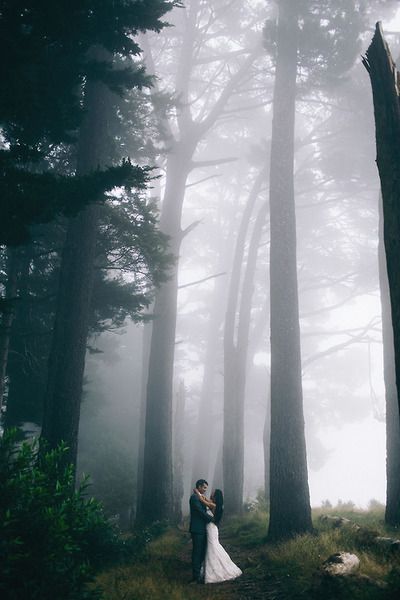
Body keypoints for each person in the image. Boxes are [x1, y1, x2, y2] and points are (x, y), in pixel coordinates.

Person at [193, 486, 242, 584]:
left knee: (213, 547)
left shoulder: (213, 505)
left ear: (216, 496)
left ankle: (218, 571)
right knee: (212, 546)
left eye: (213, 492)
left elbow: (203, 501)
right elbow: (205, 499)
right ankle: (211, 569)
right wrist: (200, 494)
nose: (211, 493)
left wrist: (197, 492)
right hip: (212, 528)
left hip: (211, 528)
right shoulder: (215, 504)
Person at [189, 479, 214, 583]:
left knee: (202, 552)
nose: (205, 490)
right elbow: (200, 512)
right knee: (197, 552)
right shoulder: (194, 498)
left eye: (206, 488)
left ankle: (200, 573)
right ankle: (195, 577)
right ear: (199, 486)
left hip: (202, 529)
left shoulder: (200, 497)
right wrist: (211, 519)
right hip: (197, 529)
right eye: (204, 487)